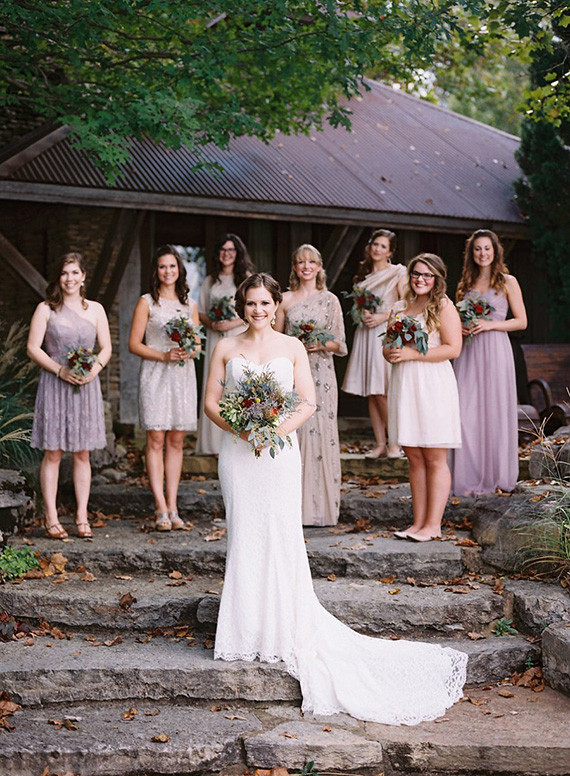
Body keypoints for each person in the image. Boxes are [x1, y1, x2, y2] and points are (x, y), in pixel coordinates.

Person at [204, 272, 467, 726]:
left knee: (281, 535)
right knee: (244, 534)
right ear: (240, 306)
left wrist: (273, 429)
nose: (259, 311)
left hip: (280, 452)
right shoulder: (226, 348)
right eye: (251, 304)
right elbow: (211, 402)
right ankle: (244, 631)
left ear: (275, 305)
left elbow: (306, 401)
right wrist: (244, 429)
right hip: (239, 452)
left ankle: (283, 628)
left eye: (266, 303)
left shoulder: (292, 347)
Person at [27, 252, 111, 539]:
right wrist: (60, 371)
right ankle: (51, 516)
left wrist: (93, 371)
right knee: (53, 452)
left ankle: (82, 516)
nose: (70, 278)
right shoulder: (46, 309)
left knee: (83, 453)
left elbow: (106, 348)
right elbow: (33, 348)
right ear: (58, 278)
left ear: (83, 276)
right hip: (55, 383)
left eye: (75, 273)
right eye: (64, 273)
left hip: (85, 386)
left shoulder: (96, 309)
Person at [384, 254, 462, 542]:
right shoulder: (399, 308)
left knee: (434, 456)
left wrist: (413, 353)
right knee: (414, 456)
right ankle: (417, 523)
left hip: (433, 384)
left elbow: (453, 348)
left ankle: (434, 524)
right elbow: (388, 348)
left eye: (427, 275)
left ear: (437, 279)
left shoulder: (443, 306)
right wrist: (391, 352)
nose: (420, 279)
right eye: (416, 273)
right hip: (405, 383)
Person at [451, 230, 527, 495]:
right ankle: (467, 475)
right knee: (466, 412)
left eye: (487, 249)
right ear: (471, 254)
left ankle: (497, 475)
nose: (482, 254)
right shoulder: (465, 282)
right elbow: (456, 318)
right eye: (477, 249)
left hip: (495, 350)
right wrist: (461, 327)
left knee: (493, 411)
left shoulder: (508, 281)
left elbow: (521, 321)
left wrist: (490, 324)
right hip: (469, 352)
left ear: (495, 252)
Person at [129, 245, 199, 531]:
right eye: (162, 266)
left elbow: (197, 344)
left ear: (179, 270)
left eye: (172, 266)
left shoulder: (190, 305)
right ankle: (159, 506)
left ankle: (173, 505)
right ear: (156, 271)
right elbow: (134, 344)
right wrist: (163, 355)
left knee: (176, 440)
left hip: (181, 375)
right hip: (156, 372)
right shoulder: (147, 302)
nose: (168, 271)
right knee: (156, 438)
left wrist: (188, 350)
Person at [275, 244, 346, 526]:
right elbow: (276, 337)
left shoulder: (330, 300)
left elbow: (340, 343)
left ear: (319, 267)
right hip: (293, 373)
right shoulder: (285, 299)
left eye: (311, 262)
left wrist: (319, 343)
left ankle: (322, 510)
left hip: (322, 374)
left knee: (323, 432)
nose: (306, 266)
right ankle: (294, 508)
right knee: (296, 432)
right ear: (294, 267)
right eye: (301, 262)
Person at [341, 229, 406, 458]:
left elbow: (405, 305)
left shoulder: (398, 273)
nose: (377, 249)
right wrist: (361, 315)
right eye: (374, 244)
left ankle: (396, 442)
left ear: (390, 251)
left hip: (384, 332)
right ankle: (380, 444)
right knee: (372, 391)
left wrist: (381, 317)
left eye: (382, 246)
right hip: (365, 333)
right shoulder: (362, 277)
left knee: (383, 392)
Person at [196, 234, 254, 455]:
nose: (227, 254)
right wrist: (212, 322)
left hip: (238, 335)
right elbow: (200, 310)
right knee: (215, 383)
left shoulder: (246, 278)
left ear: (238, 253)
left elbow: (252, 308)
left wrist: (232, 322)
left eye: (231, 250)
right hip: (214, 337)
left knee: (236, 381)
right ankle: (212, 443)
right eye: (223, 250)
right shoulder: (210, 280)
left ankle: (239, 437)